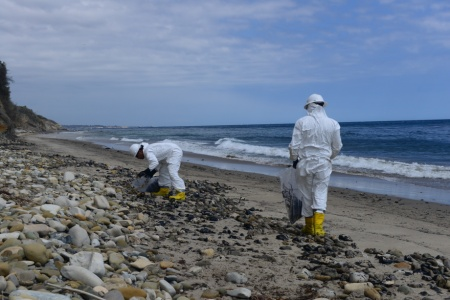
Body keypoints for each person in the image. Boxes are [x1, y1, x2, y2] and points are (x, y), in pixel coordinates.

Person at [288, 94, 342, 236]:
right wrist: (328, 157)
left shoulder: (301, 122)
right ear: (322, 105)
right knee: (320, 192)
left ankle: (308, 226)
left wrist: (294, 159)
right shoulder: (333, 123)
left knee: (306, 194)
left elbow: (294, 145)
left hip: (304, 162)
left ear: (309, 106)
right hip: (323, 163)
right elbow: (337, 146)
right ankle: (318, 229)